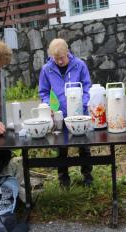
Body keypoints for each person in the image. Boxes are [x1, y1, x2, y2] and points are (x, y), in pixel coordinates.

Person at [38, 38, 93, 187]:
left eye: (61, 58)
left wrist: (83, 103)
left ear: (67, 52)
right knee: (61, 147)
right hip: (59, 114)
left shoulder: (79, 65)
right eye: (56, 59)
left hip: (80, 112)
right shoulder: (47, 69)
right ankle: (63, 179)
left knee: (84, 146)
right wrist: (48, 105)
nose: (59, 62)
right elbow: (43, 92)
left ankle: (87, 176)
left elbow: (88, 87)